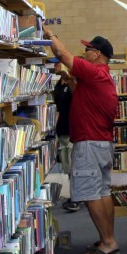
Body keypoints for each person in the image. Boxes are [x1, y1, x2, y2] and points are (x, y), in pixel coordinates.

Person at [43, 28, 120, 254]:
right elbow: (85, 98)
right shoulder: (101, 77)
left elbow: (62, 54)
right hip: (102, 143)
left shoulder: (94, 71)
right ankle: (109, 239)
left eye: (87, 49)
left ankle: (108, 243)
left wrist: (49, 34)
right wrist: (71, 82)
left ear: (97, 54)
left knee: (90, 194)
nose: (84, 52)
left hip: (89, 143)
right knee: (102, 191)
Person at [53, 61, 80, 212]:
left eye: (56, 65)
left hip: (71, 130)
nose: (54, 68)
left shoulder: (72, 83)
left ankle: (76, 198)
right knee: (67, 166)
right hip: (62, 129)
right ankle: (75, 196)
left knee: (73, 165)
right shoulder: (58, 84)